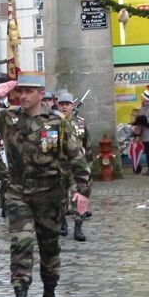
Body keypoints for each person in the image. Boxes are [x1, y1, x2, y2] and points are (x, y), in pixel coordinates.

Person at [0, 72, 91, 297]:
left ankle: (49, 293)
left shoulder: (56, 122)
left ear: (41, 94)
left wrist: (82, 191)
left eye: (28, 92)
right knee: (21, 243)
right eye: (20, 92)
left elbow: (77, 158)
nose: (23, 96)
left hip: (50, 194)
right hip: (18, 192)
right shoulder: (9, 118)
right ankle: (21, 296)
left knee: (49, 246)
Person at [55, 92, 92, 242]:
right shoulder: (53, 124)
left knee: (79, 196)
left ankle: (78, 226)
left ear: (72, 106)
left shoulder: (80, 124)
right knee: (60, 197)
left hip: (76, 166)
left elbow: (87, 146)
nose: (64, 107)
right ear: (57, 105)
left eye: (67, 104)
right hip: (59, 166)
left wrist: (88, 166)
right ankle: (62, 223)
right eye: (61, 104)